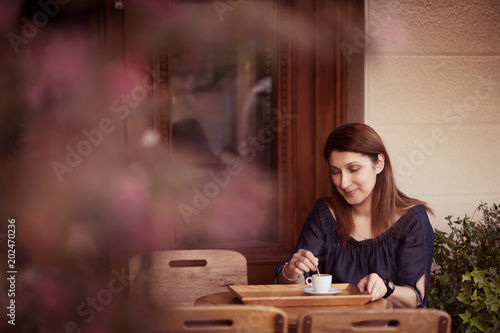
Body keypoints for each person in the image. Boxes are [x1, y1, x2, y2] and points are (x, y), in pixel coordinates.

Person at [274, 123, 435, 308]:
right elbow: (301, 288)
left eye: (353, 169)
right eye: (335, 172)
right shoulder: (325, 215)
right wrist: (291, 273)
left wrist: (386, 288)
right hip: (331, 326)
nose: (343, 183)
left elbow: (415, 300)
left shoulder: (411, 219)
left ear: (379, 164)